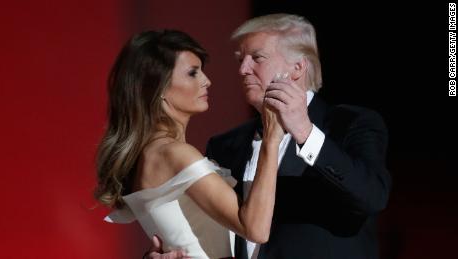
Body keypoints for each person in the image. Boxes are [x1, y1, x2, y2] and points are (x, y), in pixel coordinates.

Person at [148, 13, 391, 259]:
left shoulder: (351, 125)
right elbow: (210, 236)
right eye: (240, 59)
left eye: (257, 58)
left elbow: (371, 197)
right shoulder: (224, 146)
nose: (243, 69)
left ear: (297, 68)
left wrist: (306, 133)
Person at [94, 29, 285, 259]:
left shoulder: (150, 153)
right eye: (193, 73)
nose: (207, 81)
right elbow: (255, 229)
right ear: (159, 89)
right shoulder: (175, 154)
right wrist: (272, 138)